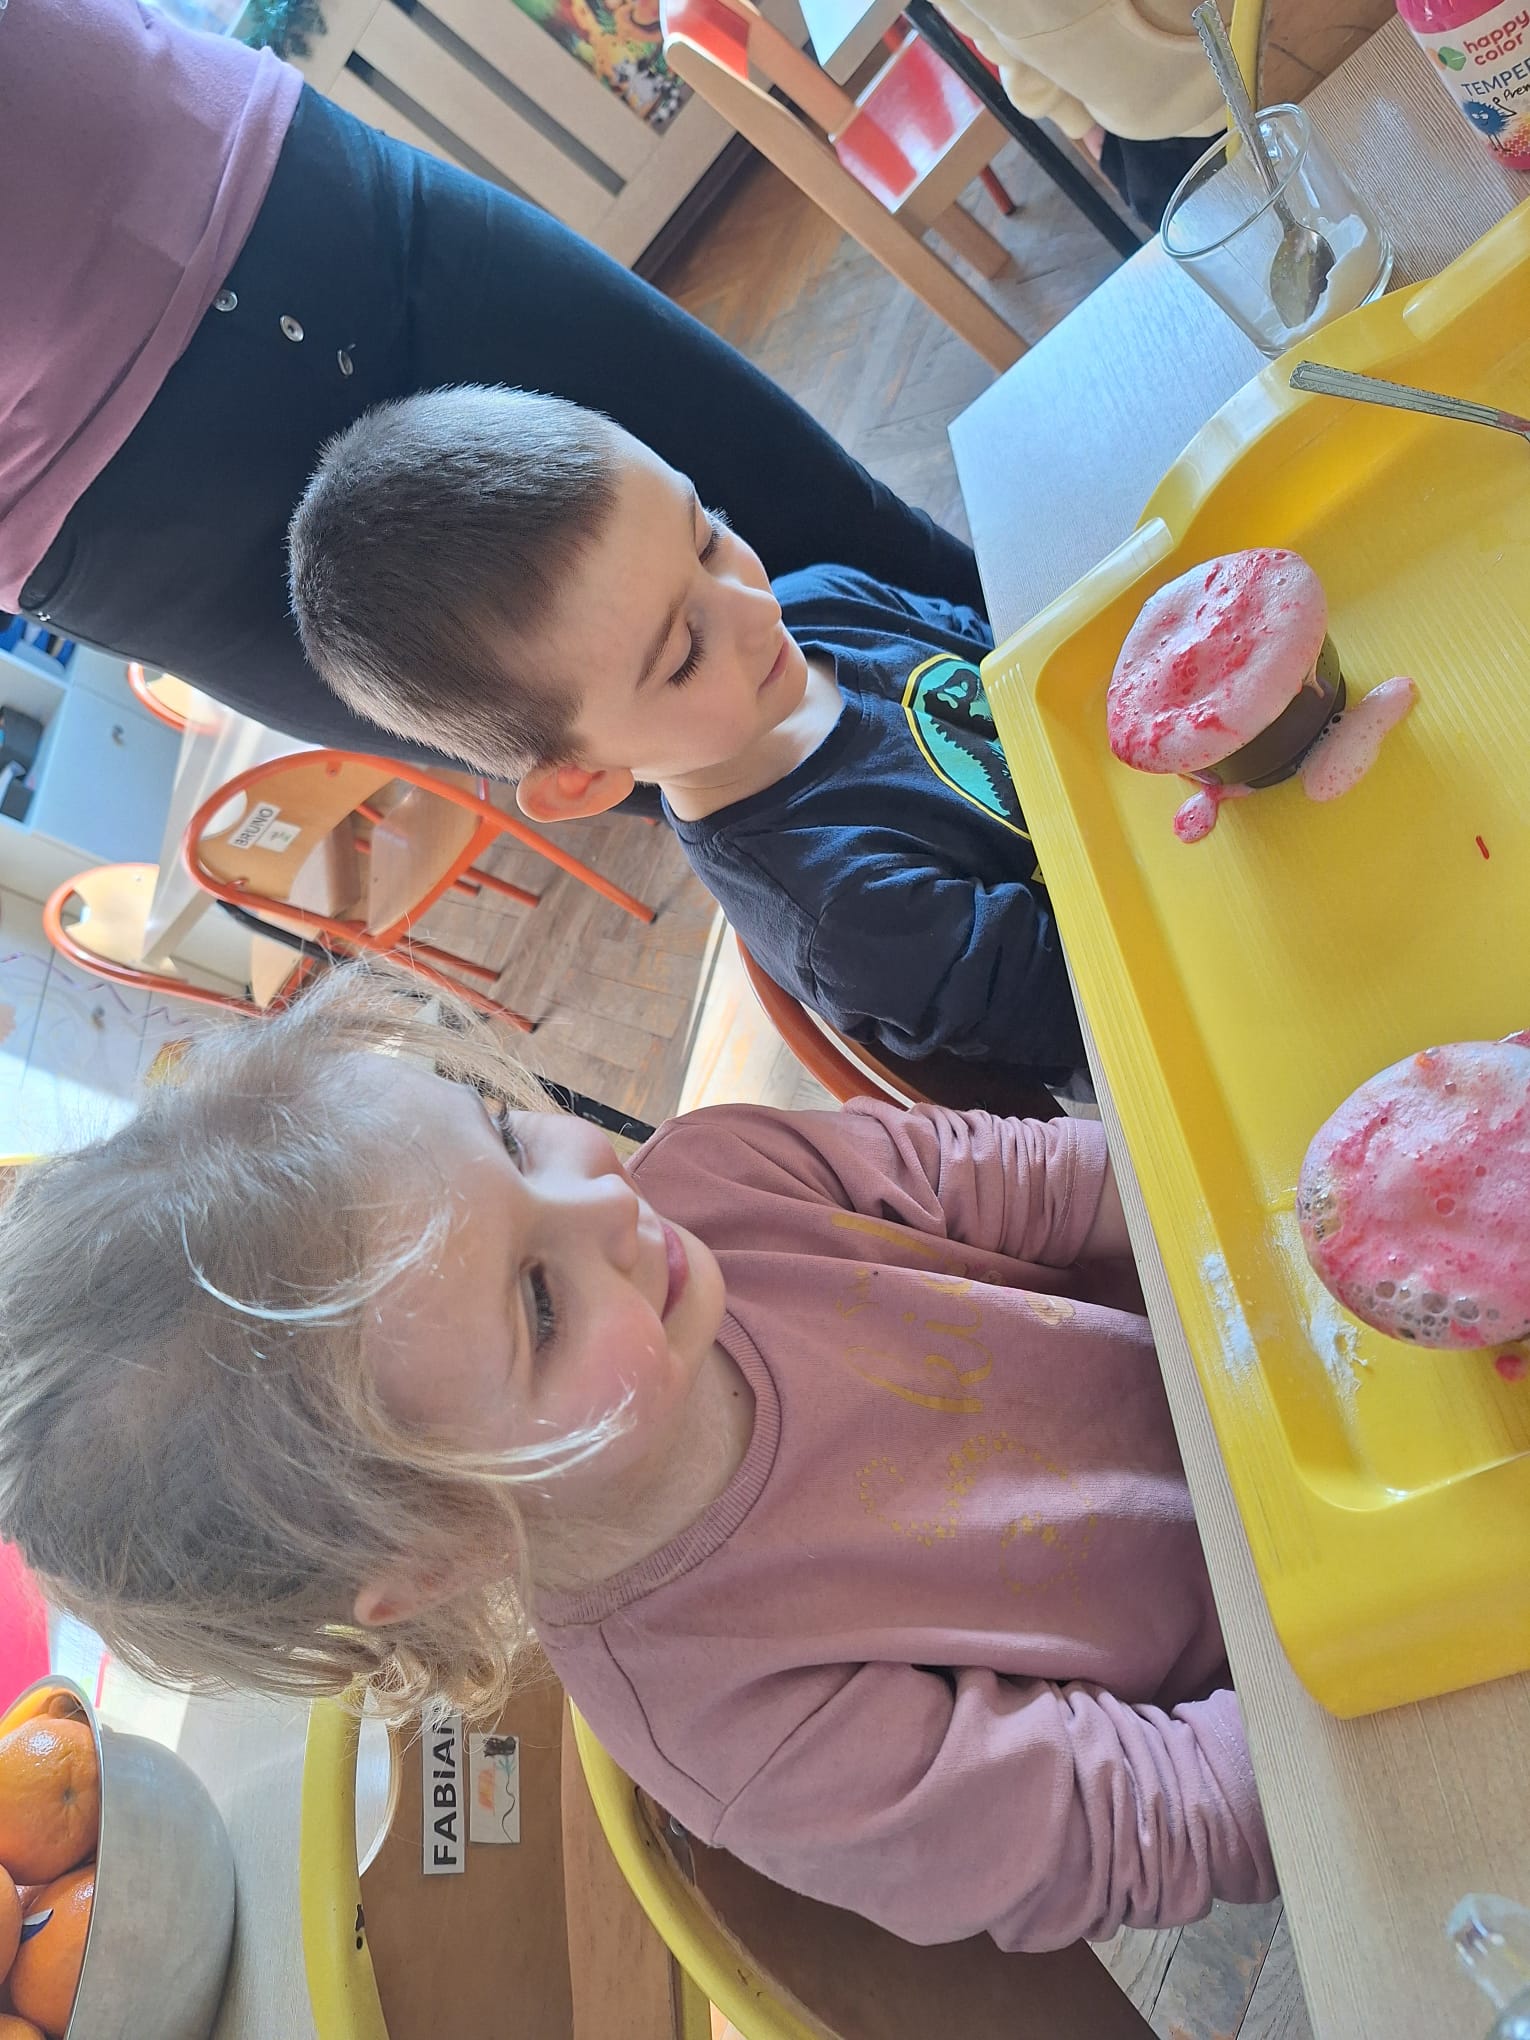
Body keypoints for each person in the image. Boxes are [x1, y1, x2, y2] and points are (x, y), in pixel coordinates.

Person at [0, 965, 1276, 1950]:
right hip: (1291, 1654)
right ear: (439, 1545)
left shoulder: (722, 1179)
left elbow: (1035, 1181)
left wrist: (1267, 1212)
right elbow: (1151, 1817)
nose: (610, 1198)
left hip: (1274, 1319)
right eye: (539, 1303)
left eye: (507, 1137)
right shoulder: (736, 1726)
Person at [0, 0, 982, 765]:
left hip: (304, 194)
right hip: (130, 523)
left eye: (710, 534)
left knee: (854, 538)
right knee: (699, 753)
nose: (761, 614)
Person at [288, 386, 1086, 1082]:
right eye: (684, 655)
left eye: (707, 538)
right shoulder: (847, 917)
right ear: (583, 778)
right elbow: (1098, 1000)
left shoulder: (814, 596)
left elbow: (1000, 654)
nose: (758, 608)